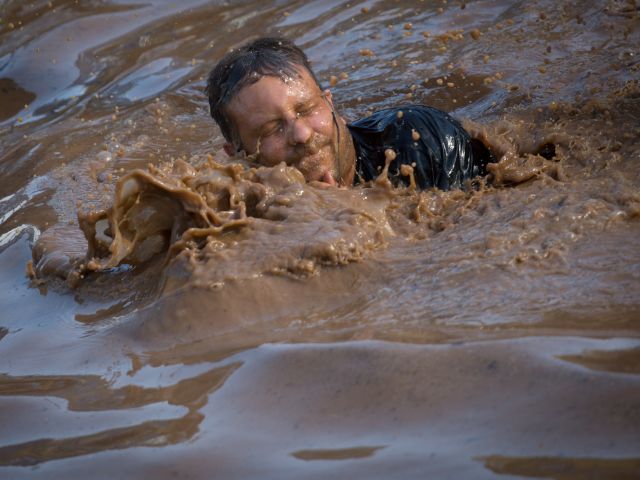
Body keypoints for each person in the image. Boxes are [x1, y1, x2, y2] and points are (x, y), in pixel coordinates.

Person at [206, 37, 494, 190]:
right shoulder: (243, 214)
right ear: (237, 156)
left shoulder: (422, 142)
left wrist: (351, 218)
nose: (302, 134)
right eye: (270, 129)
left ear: (331, 105)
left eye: (307, 110)